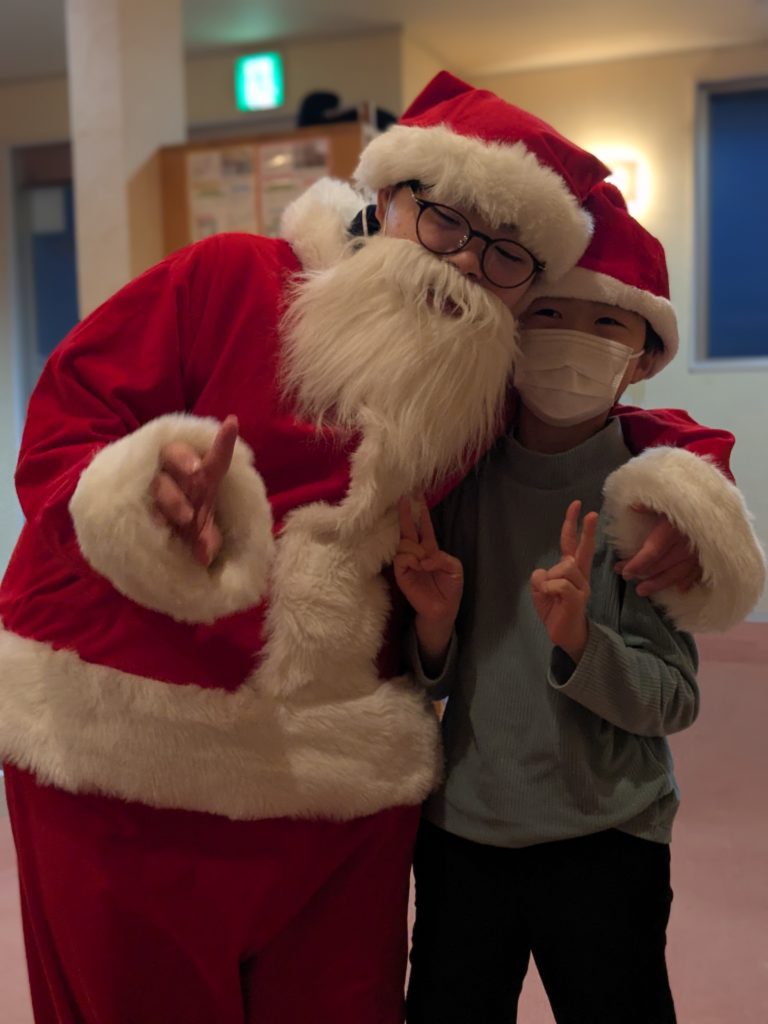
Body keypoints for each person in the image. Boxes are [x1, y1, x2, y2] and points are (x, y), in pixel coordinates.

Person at [0, 72, 612, 1024]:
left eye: (505, 255)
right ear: (389, 197)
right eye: (445, 221)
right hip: (129, 736)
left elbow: (621, 411)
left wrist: (687, 498)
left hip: (341, 775)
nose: (462, 263)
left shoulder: (482, 395)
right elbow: (66, 424)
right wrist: (147, 489)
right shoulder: (229, 277)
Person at [396, 183, 765, 1024]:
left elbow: (676, 697)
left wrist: (582, 644)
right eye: (550, 314)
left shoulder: (655, 504)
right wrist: (435, 626)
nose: (572, 339)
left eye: (607, 323)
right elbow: (423, 683)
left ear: (643, 358)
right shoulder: (458, 480)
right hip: (463, 836)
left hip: (606, 839)